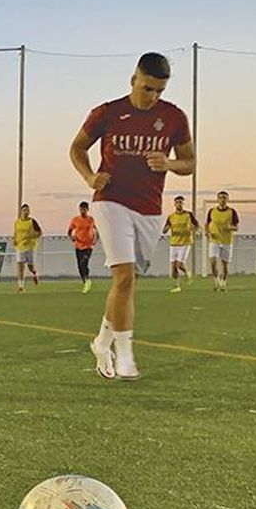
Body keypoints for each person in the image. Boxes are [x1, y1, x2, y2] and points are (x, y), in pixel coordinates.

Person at [69, 52, 195, 380]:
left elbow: (190, 163)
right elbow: (77, 148)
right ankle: (125, 355)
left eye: (159, 91)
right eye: (147, 88)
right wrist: (88, 177)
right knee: (123, 277)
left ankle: (102, 342)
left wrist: (169, 164)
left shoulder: (174, 118)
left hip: (150, 209)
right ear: (133, 80)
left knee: (128, 282)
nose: (152, 96)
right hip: (110, 201)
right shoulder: (107, 113)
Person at [162, 195, 198, 293]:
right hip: (174, 243)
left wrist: (193, 229)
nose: (179, 204)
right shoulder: (171, 216)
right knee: (173, 266)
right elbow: (165, 229)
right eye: (177, 202)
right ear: (174, 204)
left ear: (183, 204)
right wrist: (165, 229)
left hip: (185, 242)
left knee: (179, 264)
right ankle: (177, 286)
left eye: (181, 202)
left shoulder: (188, 215)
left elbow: (196, 226)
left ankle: (187, 273)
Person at [205, 190, 239, 290]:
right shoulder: (212, 211)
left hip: (226, 241)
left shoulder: (232, 212)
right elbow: (207, 223)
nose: (222, 200)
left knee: (224, 264)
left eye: (224, 197)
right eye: (220, 197)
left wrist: (230, 228)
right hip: (214, 240)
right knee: (213, 261)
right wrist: (207, 232)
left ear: (227, 199)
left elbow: (236, 227)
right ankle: (216, 282)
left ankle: (223, 282)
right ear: (217, 199)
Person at [68, 201, 97, 292]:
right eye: (81, 209)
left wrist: (95, 241)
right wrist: (72, 237)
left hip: (88, 246)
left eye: (84, 209)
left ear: (87, 210)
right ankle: (85, 281)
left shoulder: (91, 220)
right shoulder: (75, 220)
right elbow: (69, 231)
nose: (82, 211)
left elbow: (96, 231)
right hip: (78, 245)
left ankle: (87, 280)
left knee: (84, 262)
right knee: (80, 266)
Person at [12, 203, 42, 291]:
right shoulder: (17, 222)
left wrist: (32, 235)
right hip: (20, 246)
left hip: (30, 247)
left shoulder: (32, 222)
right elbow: (16, 233)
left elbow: (39, 233)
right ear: (21, 211)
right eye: (24, 210)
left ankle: (35, 273)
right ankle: (21, 287)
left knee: (30, 266)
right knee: (20, 266)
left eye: (27, 210)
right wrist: (14, 240)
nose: (26, 212)